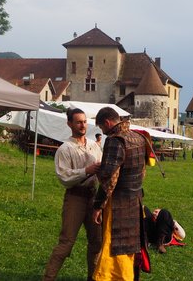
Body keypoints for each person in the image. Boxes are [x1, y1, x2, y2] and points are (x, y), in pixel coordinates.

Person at [43, 108, 102, 281]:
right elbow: (64, 177)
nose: (82, 125)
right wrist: (86, 171)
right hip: (75, 198)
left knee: (96, 242)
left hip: (94, 198)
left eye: (84, 121)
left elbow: (103, 169)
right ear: (70, 124)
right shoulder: (65, 149)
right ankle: (48, 278)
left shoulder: (93, 146)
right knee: (66, 243)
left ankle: (93, 277)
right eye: (78, 122)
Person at [92, 107, 147, 281]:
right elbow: (143, 171)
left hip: (118, 203)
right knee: (131, 245)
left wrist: (98, 205)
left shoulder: (115, 141)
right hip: (136, 200)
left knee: (114, 245)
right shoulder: (139, 137)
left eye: (101, 128)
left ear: (107, 123)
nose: (103, 132)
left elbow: (110, 179)